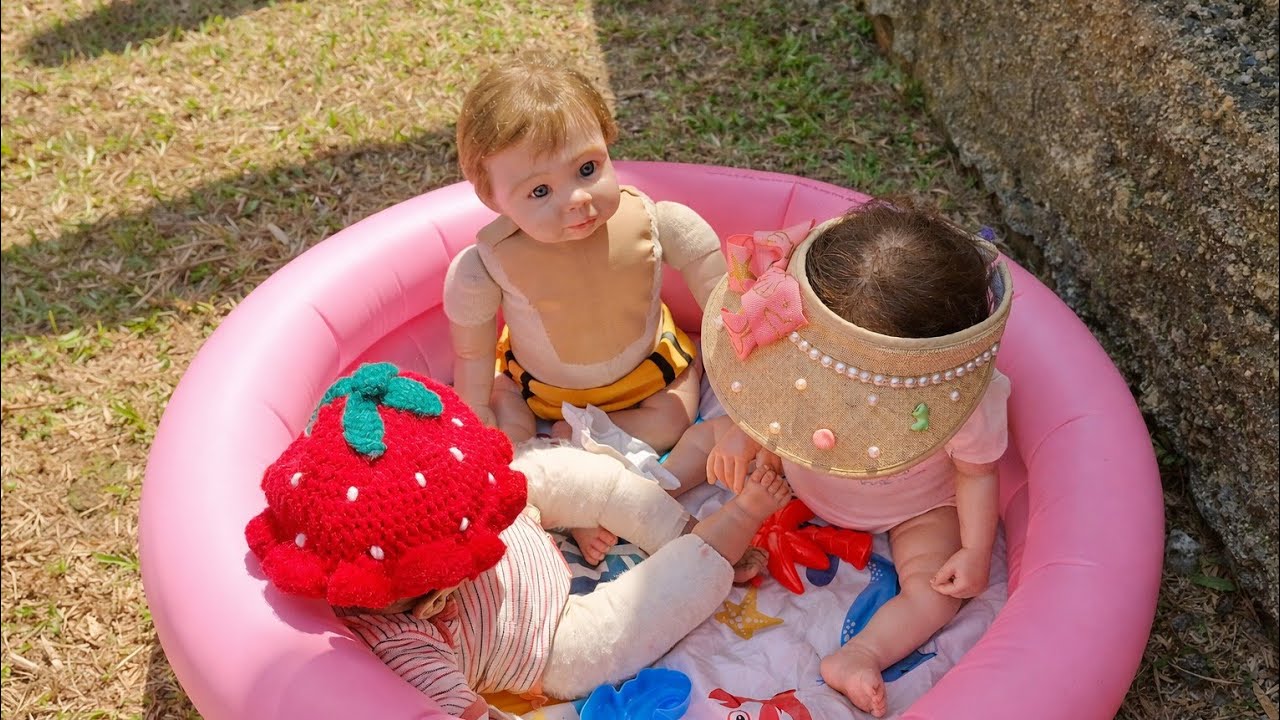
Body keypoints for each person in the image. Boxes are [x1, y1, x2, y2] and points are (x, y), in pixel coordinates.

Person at [245, 363, 790, 720]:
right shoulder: (405, 649)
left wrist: (532, 514)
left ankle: (678, 529)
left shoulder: (455, 505)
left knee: (562, 472)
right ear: (433, 592)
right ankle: (722, 537)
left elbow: (512, 483)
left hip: (518, 520)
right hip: (544, 642)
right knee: (628, 626)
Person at [695, 201, 1014, 717]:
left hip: (915, 509)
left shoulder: (963, 401)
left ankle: (859, 654)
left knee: (938, 591)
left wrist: (976, 553)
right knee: (718, 467)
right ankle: (667, 504)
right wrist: (745, 435)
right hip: (797, 471)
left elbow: (977, 474)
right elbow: (770, 392)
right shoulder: (806, 348)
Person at [443, 58, 727, 565]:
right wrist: (476, 414)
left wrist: (740, 341)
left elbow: (724, 302)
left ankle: (582, 469)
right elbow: (471, 356)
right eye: (539, 191)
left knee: (676, 415)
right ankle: (567, 492)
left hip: (646, 376)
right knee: (505, 436)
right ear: (492, 197)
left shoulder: (649, 222)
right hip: (539, 390)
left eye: (588, 169)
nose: (576, 200)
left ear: (609, 141)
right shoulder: (487, 265)